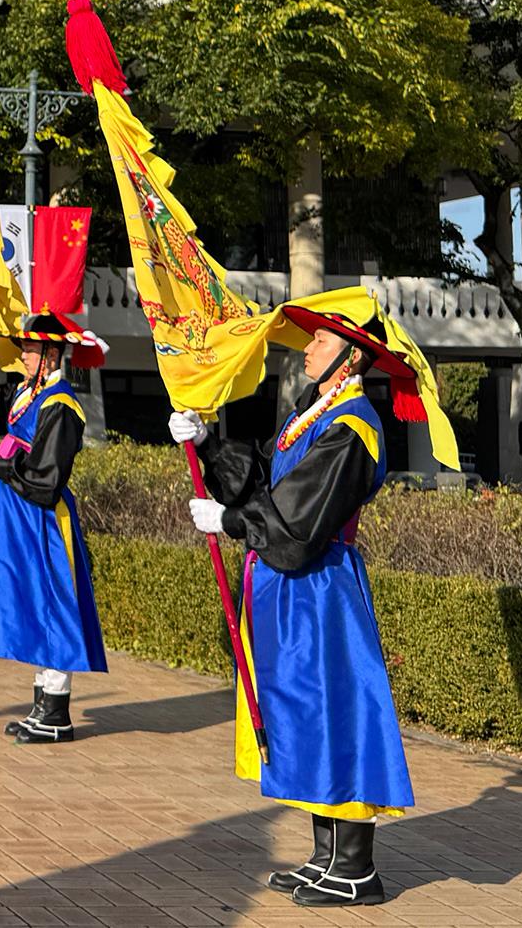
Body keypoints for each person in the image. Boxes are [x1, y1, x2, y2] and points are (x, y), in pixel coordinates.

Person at [174, 302, 415, 909]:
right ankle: (326, 855)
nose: (307, 348)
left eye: (321, 341)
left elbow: (303, 512)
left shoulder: (353, 426)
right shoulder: (316, 411)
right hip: (293, 586)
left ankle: (356, 866)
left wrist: (232, 520)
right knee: (305, 714)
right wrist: (208, 444)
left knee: (336, 712)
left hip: (322, 588)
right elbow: (268, 476)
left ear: (351, 358)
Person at [0, 313, 110, 744]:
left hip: (44, 516)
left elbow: (47, 476)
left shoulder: (62, 404)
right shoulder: (28, 393)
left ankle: (57, 712)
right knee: (32, 601)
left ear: (52, 355)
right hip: (21, 513)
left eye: (32, 350)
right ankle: (40, 703)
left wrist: (1, 466)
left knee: (52, 604)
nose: (25, 356)